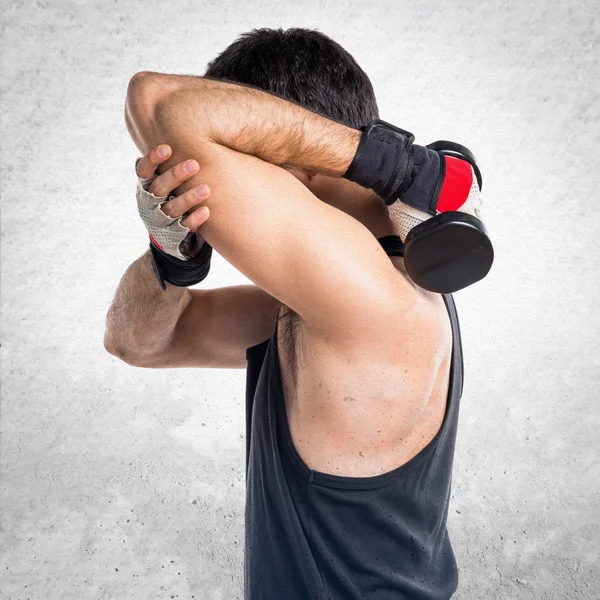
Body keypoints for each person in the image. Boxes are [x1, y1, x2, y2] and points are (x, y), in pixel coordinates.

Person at [104, 28, 466, 599]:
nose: (222, 191)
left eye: (232, 164)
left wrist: (403, 168)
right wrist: (173, 259)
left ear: (287, 159)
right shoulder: (319, 312)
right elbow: (139, 343)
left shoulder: (375, 306)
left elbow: (158, 103)